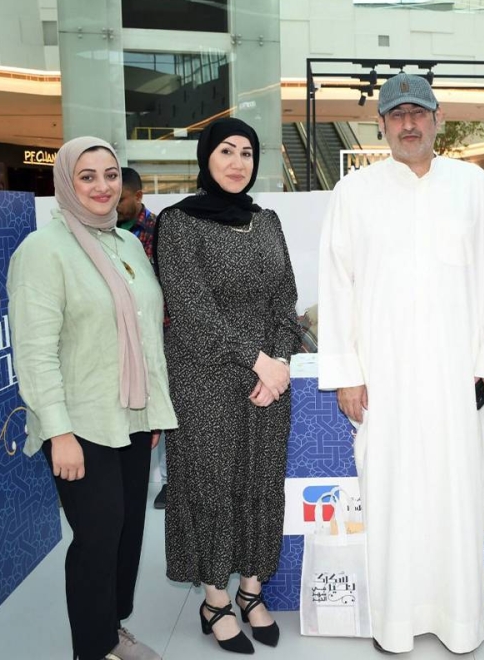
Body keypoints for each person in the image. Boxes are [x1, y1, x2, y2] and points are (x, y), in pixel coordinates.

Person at [317, 72, 484, 654]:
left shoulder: (472, 184)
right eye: (397, 115)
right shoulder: (354, 191)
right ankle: (396, 624)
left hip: (459, 378)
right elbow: (336, 284)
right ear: (381, 125)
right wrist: (347, 374)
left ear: (436, 119)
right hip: (385, 379)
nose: (408, 124)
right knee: (392, 498)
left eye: (418, 113)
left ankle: (460, 622)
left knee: (459, 496)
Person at [8, 136, 178, 660]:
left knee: (127, 535)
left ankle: (112, 629)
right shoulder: (43, 251)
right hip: (79, 423)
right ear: (65, 182)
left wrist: (152, 410)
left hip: (131, 415)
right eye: (87, 176)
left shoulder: (127, 244)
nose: (102, 186)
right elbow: (34, 352)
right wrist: (58, 432)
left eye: (110, 175)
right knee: (97, 538)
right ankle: (92, 648)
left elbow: (147, 334)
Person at [155, 118, 300, 655]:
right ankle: (214, 600)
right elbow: (192, 312)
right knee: (211, 487)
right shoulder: (178, 222)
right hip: (205, 379)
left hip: (268, 385)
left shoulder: (267, 221)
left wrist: (278, 362)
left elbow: (285, 302)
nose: (238, 163)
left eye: (247, 153)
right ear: (205, 158)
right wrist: (260, 362)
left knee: (261, 482)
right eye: (226, 151)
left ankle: (250, 591)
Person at [116, 166, 169, 511]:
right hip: (120, 335)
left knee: (164, 410)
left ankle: (169, 481)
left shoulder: (159, 231)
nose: (114, 205)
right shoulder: (101, 232)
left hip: (160, 332)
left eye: (121, 199)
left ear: (138, 196)